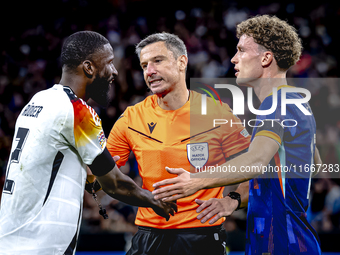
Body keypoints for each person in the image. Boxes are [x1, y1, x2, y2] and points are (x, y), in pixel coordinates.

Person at [152, 15, 322, 254]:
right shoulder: (297, 102)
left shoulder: (276, 105)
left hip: (282, 244)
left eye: (241, 50)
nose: (233, 59)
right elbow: (313, 164)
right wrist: (232, 199)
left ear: (266, 58)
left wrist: (195, 180)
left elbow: (256, 161)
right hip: (292, 239)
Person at [0, 31, 176, 255]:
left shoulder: (38, 101)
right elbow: (115, 183)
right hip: (38, 247)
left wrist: (90, 178)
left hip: (10, 241)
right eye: (109, 63)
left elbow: (46, 167)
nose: (114, 71)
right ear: (89, 67)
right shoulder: (77, 110)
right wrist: (155, 201)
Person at [105, 32, 251, 255]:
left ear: (182, 62)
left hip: (202, 238)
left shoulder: (217, 113)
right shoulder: (132, 118)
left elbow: (258, 169)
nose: (149, 71)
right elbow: (103, 174)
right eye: (144, 65)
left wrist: (232, 201)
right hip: (148, 236)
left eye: (158, 61)